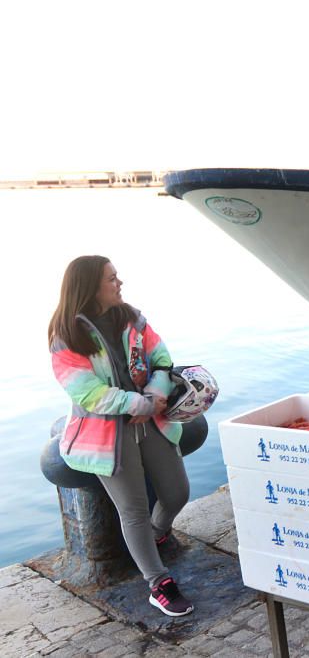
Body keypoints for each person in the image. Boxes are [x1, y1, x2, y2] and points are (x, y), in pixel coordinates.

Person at [48, 256, 194, 617]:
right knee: (132, 510)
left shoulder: (132, 319)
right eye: (112, 279)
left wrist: (157, 393)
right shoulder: (65, 336)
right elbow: (88, 394)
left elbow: (161, 359)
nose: (120, 283)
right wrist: (139, 403)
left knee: (177, 492)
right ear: (90, 287)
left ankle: (156, 534)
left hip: (152, 421)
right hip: (106, 435)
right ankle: (158, 583)